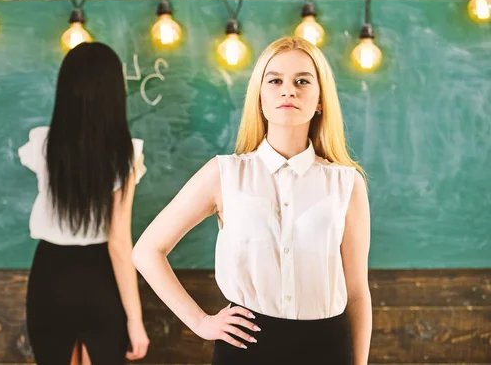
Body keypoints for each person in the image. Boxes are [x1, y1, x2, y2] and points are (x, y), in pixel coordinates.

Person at [132, 36, 372, 364]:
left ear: (320, 99)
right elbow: (146, 251)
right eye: (275, 80)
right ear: (259, 97)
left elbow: (357, 291)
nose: (289, 90)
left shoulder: (347, 184)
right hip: (246, 348)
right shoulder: (224, 173)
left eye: (303, 81)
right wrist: (200, 322)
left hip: (327, 348)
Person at [18, 42, 150, 365]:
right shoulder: (125, 155)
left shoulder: (41, 144)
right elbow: (119, 243)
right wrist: (136, 320)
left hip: (50, 274)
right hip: (100, 277)